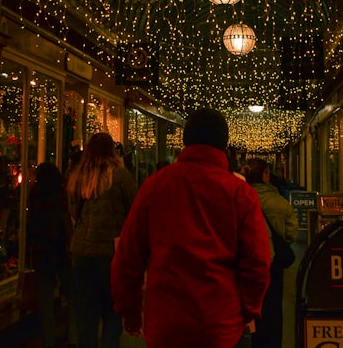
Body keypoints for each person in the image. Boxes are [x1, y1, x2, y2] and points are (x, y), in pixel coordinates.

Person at [111, 108, 270, 348]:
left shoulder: (155, 185)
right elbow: (257, 261)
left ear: (185, 140)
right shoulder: (240, 193)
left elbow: (128, 256)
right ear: (223, 143)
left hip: (166, 323)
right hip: (220, 324)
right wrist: (248, 310)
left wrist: (130, 310)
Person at [67, 133, 136, 348]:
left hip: (81, 252)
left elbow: (73, 212)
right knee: (112, 309)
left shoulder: (78, 177)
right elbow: (134, 211)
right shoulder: (121, 176)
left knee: (86, 312)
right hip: (110, 253)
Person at [242, 158, 298, 348]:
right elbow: (291, 232)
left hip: (247, 262)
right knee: (273, 309)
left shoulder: (240, 196)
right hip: (273, 266)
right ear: (266, 175)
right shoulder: (279, 202)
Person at [27, 162, 76, 348]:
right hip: (59, 249)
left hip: (41, 250)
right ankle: (71, 333)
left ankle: (49, 338)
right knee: (72, 291)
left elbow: (31, 222)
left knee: (45, 296)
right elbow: (65, 219)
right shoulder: (60, 193)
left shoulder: (35, 193)